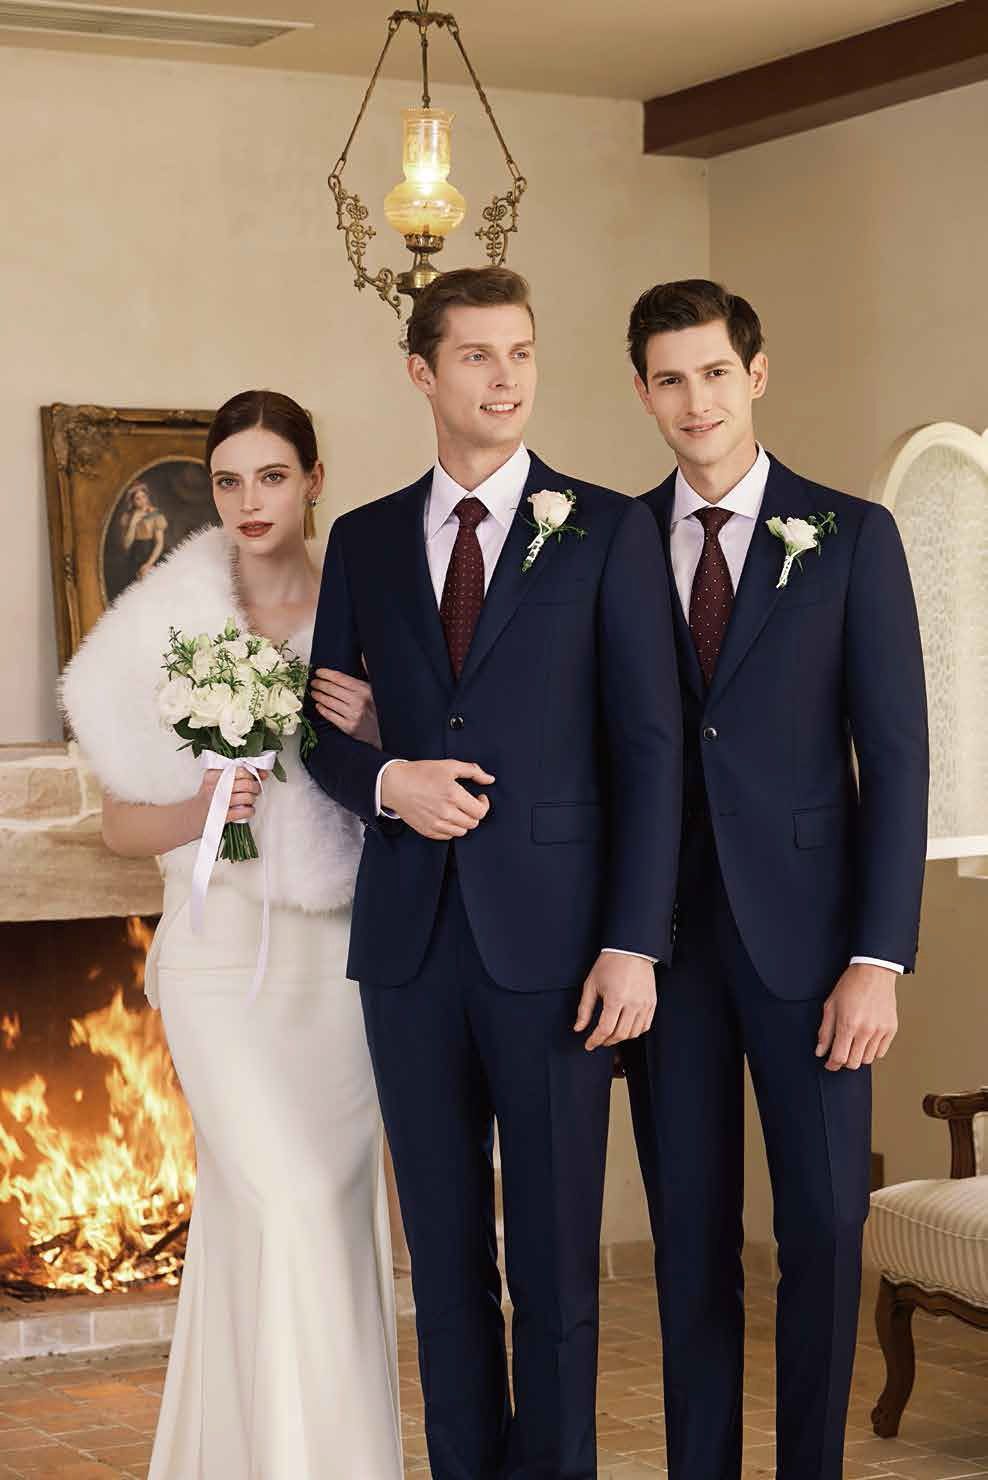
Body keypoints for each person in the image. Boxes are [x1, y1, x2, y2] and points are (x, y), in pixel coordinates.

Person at [305, 266, 682, 1480]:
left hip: (562, 948)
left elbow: (650, 745)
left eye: (519, 351)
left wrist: (634, 938)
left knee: (557, 1260)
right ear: (423, 372)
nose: (505, 376)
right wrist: (384, 779)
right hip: (409, 947)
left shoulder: (612, 526)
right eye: (475, 355)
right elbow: (319, 728)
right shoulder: (363, 539)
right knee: (448, 1258)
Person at [61, 391, 402, 1480]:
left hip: (341, 960)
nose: (249, 499)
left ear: (311, 477)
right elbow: (119, 823)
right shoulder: (154, 627)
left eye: (271, 475)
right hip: (217, 960)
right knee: (285, 1197)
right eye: (227, 480)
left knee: (323, 1214)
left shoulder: (368, 607)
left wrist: (377, 727)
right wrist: (206, 806)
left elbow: (413, 770)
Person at [622, 280, 929, 1480]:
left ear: (754, 374)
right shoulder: (608, 542)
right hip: (665, 948)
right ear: (642, 392)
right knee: (690, 1243)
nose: (693, 400)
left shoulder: (850, 535)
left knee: (822, 1230)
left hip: (815, 957)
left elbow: (896, 757)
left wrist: (878, 956)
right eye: (667, 378)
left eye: (712, 372)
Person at [119, 480, 168, 583]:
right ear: (132, 501)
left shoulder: (155, 514)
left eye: (143, 496)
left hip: (153, 554)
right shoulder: (127, 517)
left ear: (147, 497)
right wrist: (133, 523)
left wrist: (148, 564)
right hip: (135, 557)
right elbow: (126, 545)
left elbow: (159, 543)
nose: (142, 501)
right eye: (138, 498)